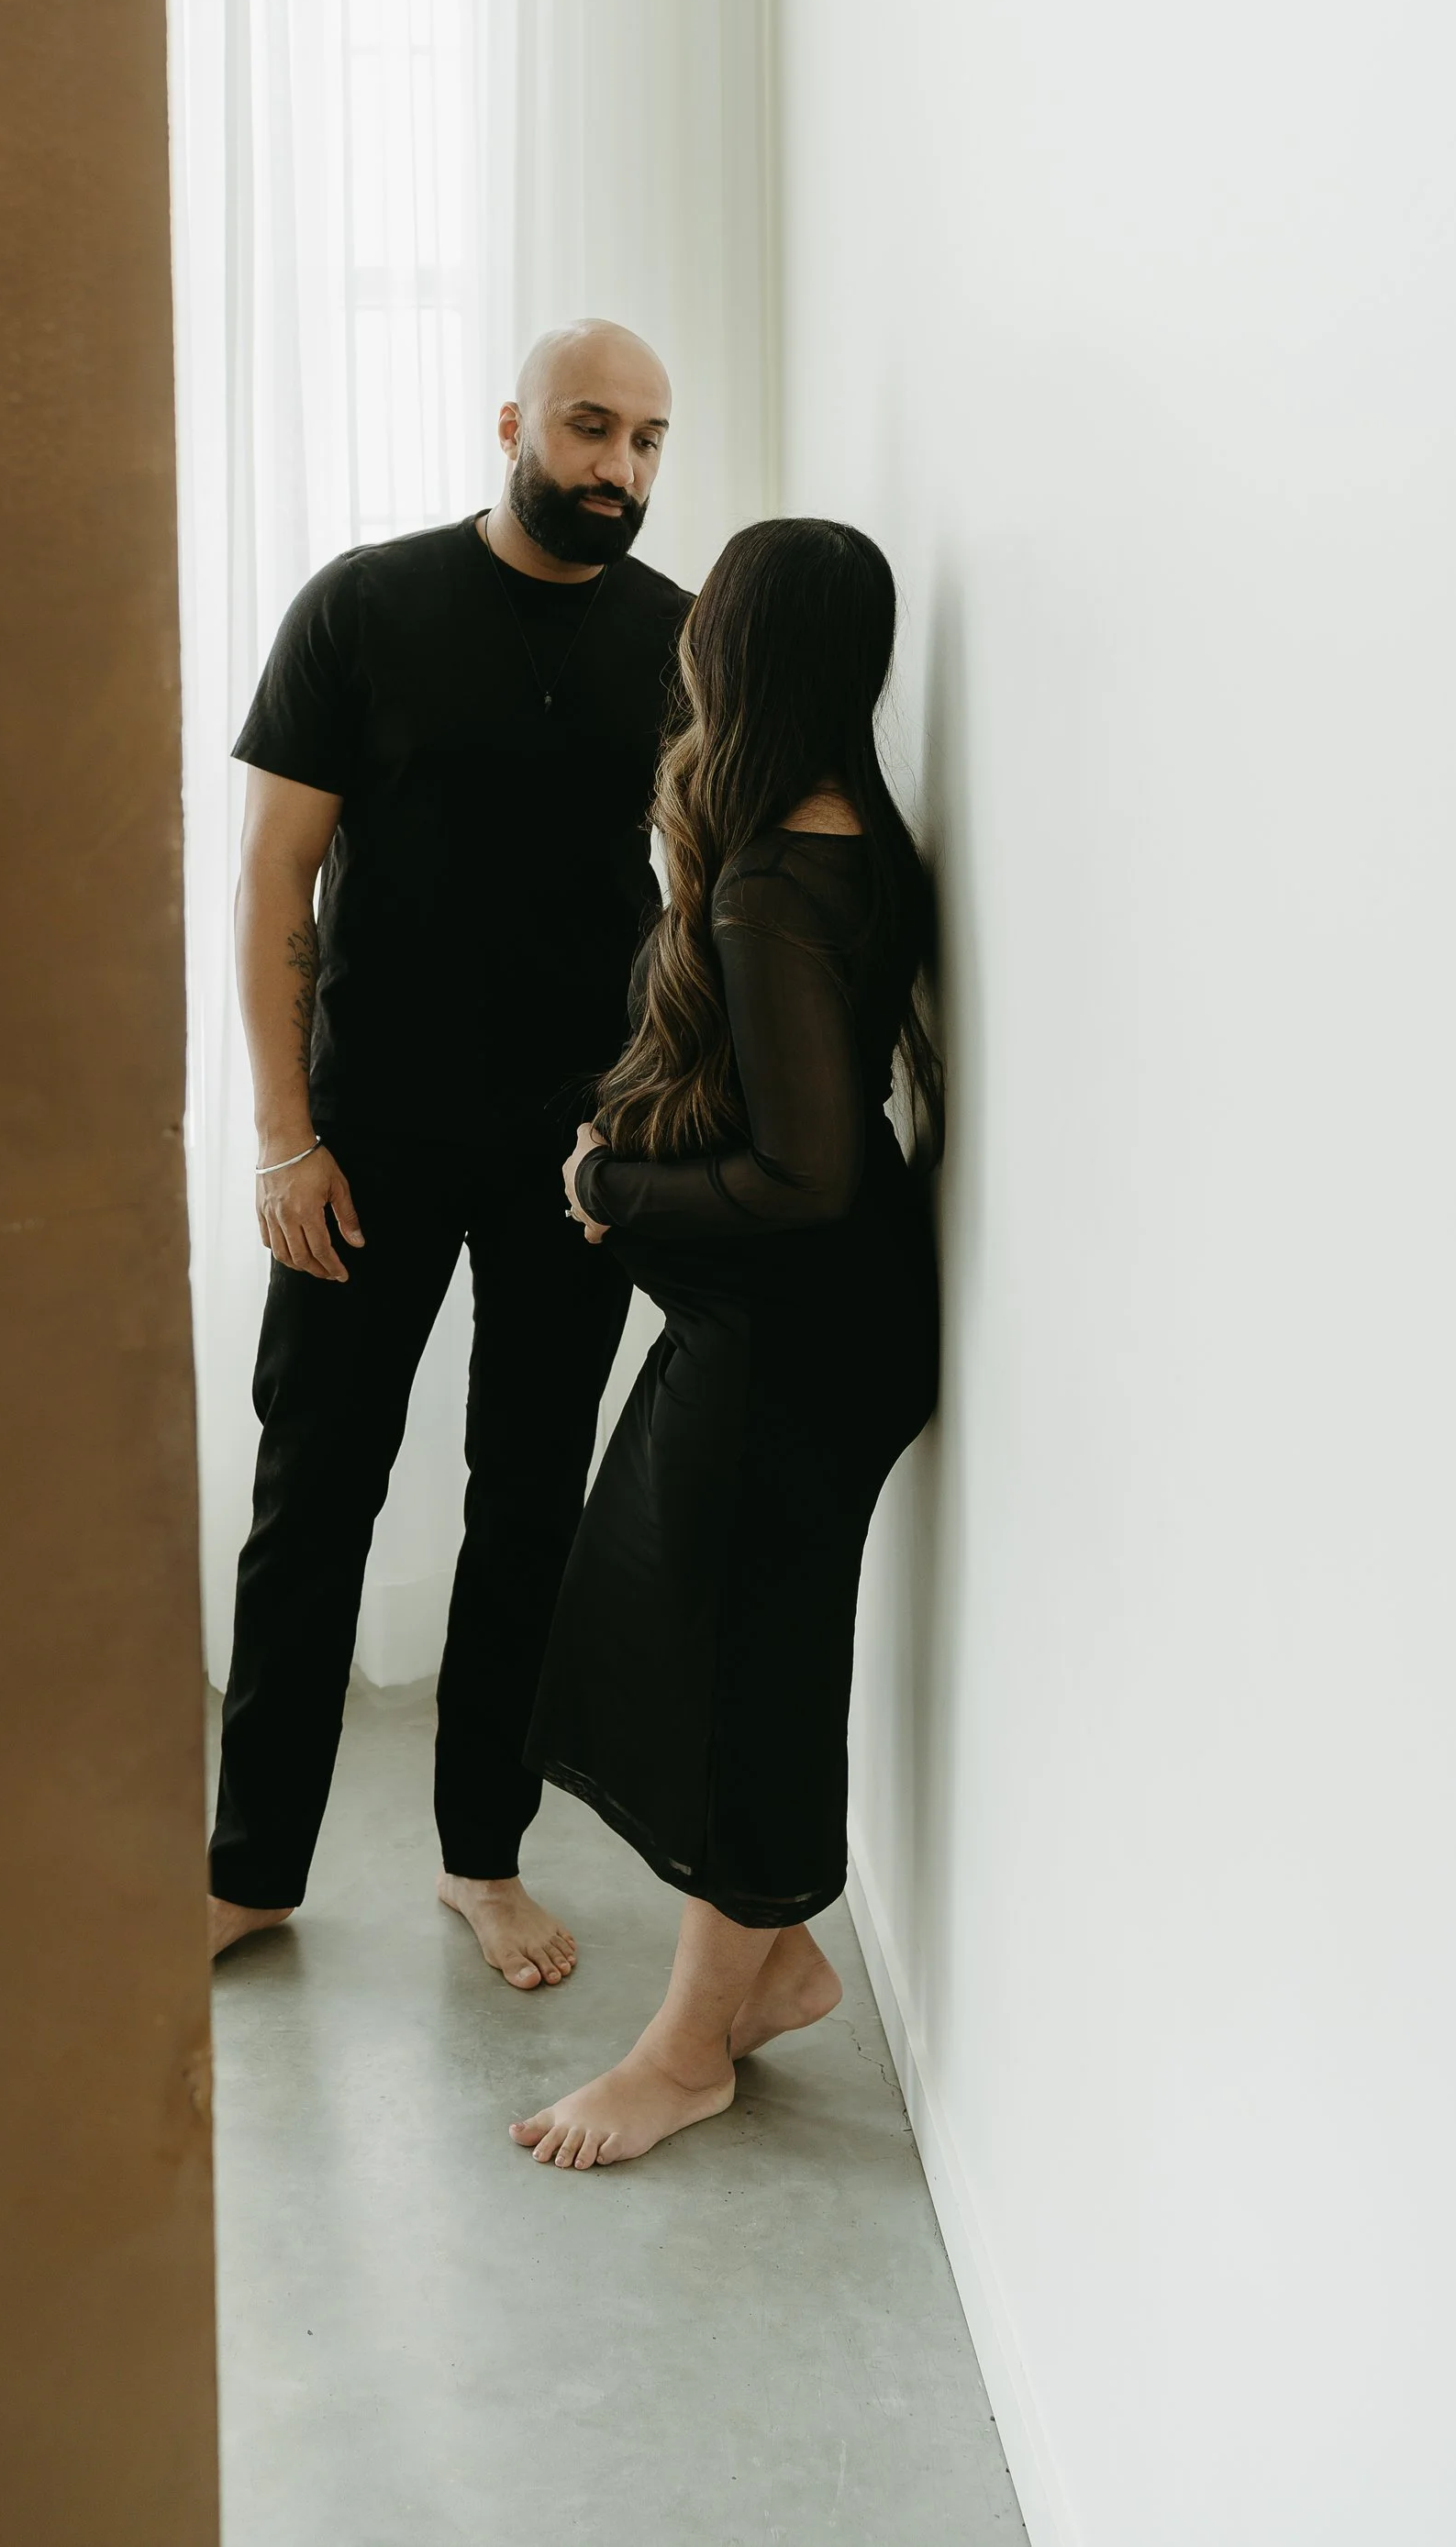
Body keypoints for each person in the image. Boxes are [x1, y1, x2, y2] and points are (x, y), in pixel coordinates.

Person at [208, 321, 691, 1988]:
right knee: (311, 1497)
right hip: (365, 1143)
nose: (616, 469)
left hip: (579, 1161)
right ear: (513, 426)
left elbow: (699, 901)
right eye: (587, 429)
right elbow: (277, 879)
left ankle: (481, 1857)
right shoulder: (363, 604)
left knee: (529, 1511)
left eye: (644, 441)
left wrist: (653, 1123)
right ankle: (251, 1866)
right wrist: (283, 1142)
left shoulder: (677, 637)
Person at [509, 517, 944, 2163]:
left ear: (740, 653)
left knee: (736, 1670)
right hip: (812, 1328)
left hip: (804, 1337)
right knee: (689, 1622)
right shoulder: (841, 828)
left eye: (709, 623)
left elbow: (804, 1174)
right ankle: (772, 1966)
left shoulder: (775, 874)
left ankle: (692, 2045)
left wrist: (613, 1180)